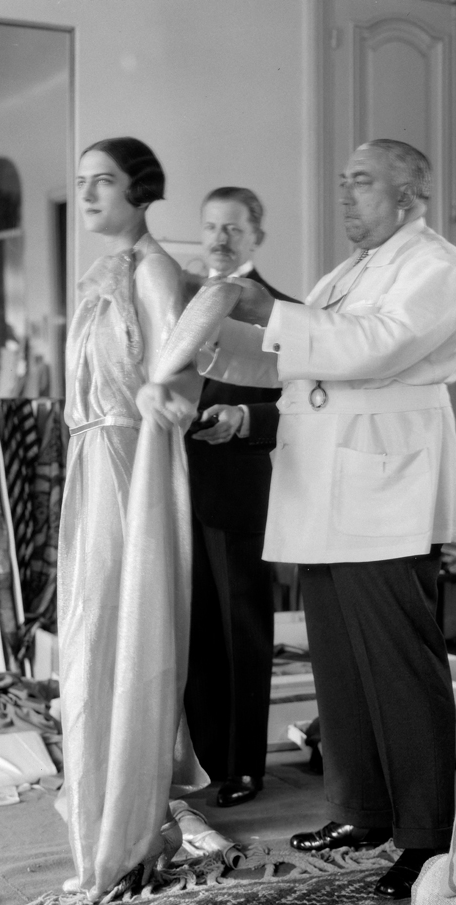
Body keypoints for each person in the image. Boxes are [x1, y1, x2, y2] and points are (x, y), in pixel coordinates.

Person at [186, 139, 456, 899]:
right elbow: (302, 369)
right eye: (344, 183)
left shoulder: (435, 265)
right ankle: (363, 810)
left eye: (363, 183)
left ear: (411, 190)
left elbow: (375, 348)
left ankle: (427, 836)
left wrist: (269, 310)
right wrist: (244, 418)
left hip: (383, 491)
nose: (346, 196)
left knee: (398, 666)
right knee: (341, 668)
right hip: (327, 487)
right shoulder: (348, 272)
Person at [57, 137, 207, 899]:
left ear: (140, 191)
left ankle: (130, 830)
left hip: (128, 462)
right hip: (93, 461)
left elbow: (175, 379)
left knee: (120, 633)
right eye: (80, 183)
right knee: (90, 638)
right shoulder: (98, 274)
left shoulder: (153, 270)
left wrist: (160, 401)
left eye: (103, 183)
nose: (86, 196)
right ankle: (108, 821)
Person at [184, 187, 298, 807]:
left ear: (256, 236)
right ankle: (201, 760)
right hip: (171, 489)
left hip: (237, 490)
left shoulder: (286, 314)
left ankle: (244, 767)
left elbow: (303, 409)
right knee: (191, 628)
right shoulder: (177, 303)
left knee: (240, 630)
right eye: (210, 227)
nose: (220, 239)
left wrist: (246, 416)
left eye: (233, 229)